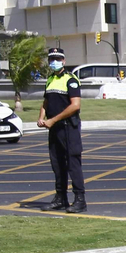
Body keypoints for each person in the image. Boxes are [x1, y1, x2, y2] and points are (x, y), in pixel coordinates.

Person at [38, 47, 86, 213]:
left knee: (73, 164)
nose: (54, 62)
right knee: (57, 164)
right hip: (54, 128)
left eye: (58, 59)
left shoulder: (70, 80)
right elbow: (46, 102)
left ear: (64, 61)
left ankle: (80, 200)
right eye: (51, 59)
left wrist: (53, 120)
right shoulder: (50, 79)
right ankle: (61, 198)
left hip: (68, 128)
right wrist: (41, 117)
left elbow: (75, 105)